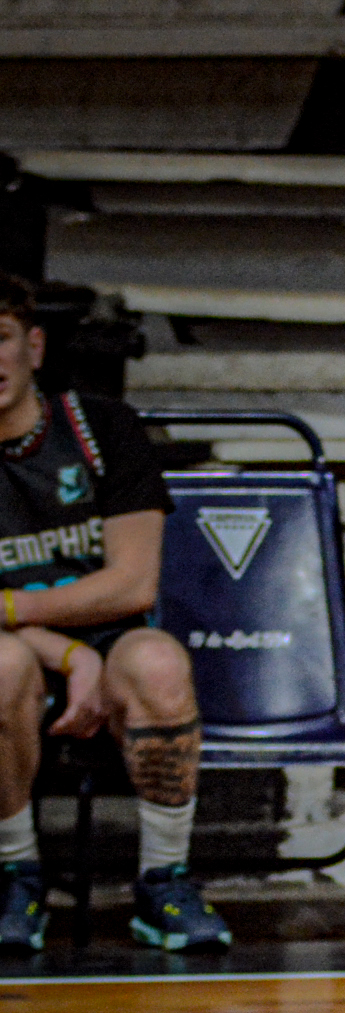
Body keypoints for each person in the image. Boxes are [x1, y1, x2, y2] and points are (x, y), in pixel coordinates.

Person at [0, 272, 230, 952]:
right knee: (1, 666)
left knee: (158, 662)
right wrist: (71, 656)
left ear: (33, 346)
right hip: (19, 653)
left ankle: (164, 882)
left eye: (0, 338)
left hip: (108, 638)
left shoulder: (102, 427)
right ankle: (16, 875)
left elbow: (132, 585)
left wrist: (16, 608)